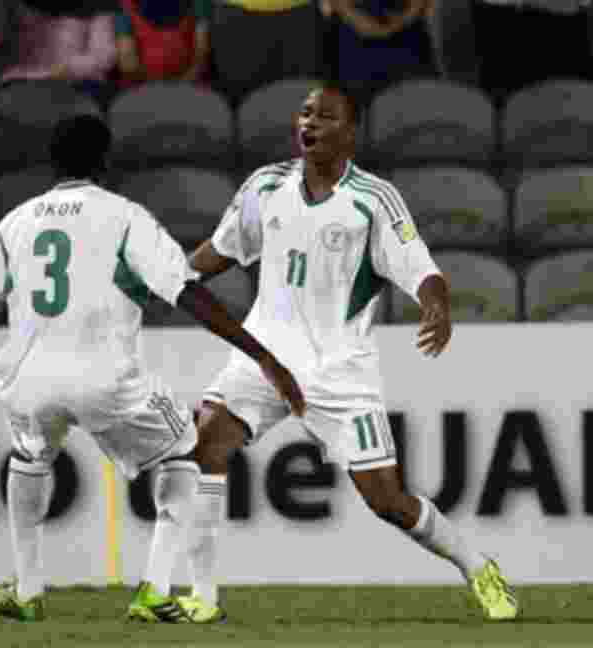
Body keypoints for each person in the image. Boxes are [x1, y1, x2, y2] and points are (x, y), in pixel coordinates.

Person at [0, 114, 306, 623]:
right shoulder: (125, 217)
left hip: (28, 382)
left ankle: (29, 587)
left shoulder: (19, 220)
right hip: (107, 382)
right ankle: (154, 590)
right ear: (106, 161)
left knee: (30, 456)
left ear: (52, 164)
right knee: (186, 451)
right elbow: (188, 295)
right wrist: (261, 354)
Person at [176, 82, 520, 624]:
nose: (309, 123)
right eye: (305, 114)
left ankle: (477, 566)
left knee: (388, 503)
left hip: (339, 372)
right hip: (262, 357)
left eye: (325, 116)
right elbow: (220, 251)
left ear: (350, 131)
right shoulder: (266, 186)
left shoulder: (373, 200)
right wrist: (166, 272)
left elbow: (421, 268)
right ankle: (201, 597)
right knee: (205, 445)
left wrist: (437, 306)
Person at [320, 0, 438, 103]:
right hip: (351, 42)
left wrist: (401, 21)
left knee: (414, 105)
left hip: (407, 41)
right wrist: (358, 20)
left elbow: (421, 5)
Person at [114, 0, 212, 89]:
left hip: (190, 85)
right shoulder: (125, 6)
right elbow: (127, 62)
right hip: (141, 90)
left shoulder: (199, 4)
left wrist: (182, 86)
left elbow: (201, 55)